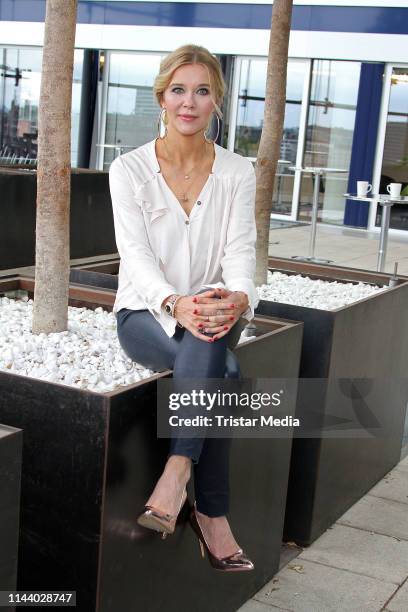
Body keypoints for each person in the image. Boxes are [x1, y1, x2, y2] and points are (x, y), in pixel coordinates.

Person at [109, 44, 259, 572]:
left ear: (217, 100)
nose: (189, 102)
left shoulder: (239, 172)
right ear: (162, 97)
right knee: (229, 374)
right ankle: (210, 512)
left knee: (211, 335)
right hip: (145, 315)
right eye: (179, 90)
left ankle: (175, 473)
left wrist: (238, 296)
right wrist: (177, 303)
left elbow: (242, 252)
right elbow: (136, 260)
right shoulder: (128, 170)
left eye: (201, 91)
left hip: (218, 313)